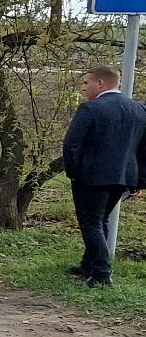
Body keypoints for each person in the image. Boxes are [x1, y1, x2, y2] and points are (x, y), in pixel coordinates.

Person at [62, 65, 146, 287]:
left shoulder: (90, 109)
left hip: (92, 176)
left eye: (86, 83)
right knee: (102, 220)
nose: (83, 88)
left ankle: (101, 273)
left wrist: (73, 171)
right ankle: (89, 264)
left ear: (100, 83)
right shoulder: (138, 110)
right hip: (124, 176)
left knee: (90, 223)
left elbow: (71, 144)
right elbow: (143, 149)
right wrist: (140, 180)